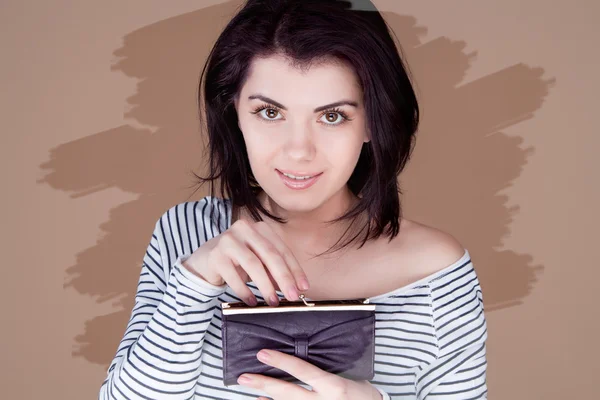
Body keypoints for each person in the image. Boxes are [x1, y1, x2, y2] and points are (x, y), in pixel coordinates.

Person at [98, 0, 488, 399]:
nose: (299, 151)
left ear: (372, 121)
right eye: (269, 112)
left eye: (332, 116)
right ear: (234, 111)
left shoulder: (435, 271)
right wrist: (194, 282)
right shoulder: (187, 232)